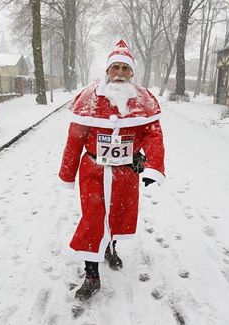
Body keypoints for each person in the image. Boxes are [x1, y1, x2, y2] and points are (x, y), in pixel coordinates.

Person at [59, 40, 165, 301]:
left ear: (132, 73)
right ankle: (91, 275)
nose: (119, 72)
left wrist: (152, 166)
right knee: (93, 219)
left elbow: (153, 136)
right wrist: (67, 173)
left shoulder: (144, 100)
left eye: (124, 68)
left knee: (117, 215)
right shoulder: (89, 98)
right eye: (114, 67)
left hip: (125, 173)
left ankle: (110, 248)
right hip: (93, 171)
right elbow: (75, 138)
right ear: (107, 71)